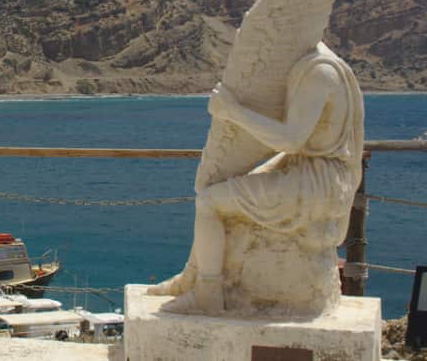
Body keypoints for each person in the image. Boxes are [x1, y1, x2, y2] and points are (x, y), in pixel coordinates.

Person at [154, 43, 365, 313]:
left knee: (208, 202)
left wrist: (233, 111)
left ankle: (208, 295)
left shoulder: (319, 72)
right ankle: (190, 278)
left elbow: (290, 139)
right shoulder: (323, 64)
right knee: (220, 190)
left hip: (316, 183)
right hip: (316, 172)